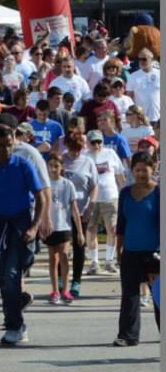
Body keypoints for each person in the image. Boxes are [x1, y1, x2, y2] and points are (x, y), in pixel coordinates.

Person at [0, 125, 45, 346]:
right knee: (2, 276)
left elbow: (41, 197)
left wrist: (34, 227)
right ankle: (13, 320)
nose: (6, 149)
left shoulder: (24, 165)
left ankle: (15, 326)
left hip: (21, 222)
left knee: (13, 273)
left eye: (9, 145)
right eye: (1, 146)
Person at [113, 151, 160, 347]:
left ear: (154, 169)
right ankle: (128, 335)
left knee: (159, 297)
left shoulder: (159, 192)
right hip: (131, 252)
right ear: (132, 171)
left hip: (155, 254)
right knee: (130, 295)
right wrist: (119, 250)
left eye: (145, 170)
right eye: (137, 170)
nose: (141, 174)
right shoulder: (125, 193)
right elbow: (121, 225)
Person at [62, 128, 99, 298]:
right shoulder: (61, 160)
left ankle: (76, 280)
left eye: (77, 149)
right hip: (62, 211)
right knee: (61, 247)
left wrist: (90, 207)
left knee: (79, 245)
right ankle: (62, 278)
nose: (74, 153)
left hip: (82, 210)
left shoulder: (88, 161)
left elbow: (94, 186)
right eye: (71, 148)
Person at [85, 129, 126, 276]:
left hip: (110, 197)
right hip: (91, 199)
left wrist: (124, 194)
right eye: (93, 142)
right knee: (91, 229)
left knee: (112, 229)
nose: (97, 145)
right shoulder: (85, 157)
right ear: (87, 143)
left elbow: (120, 176)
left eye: (99, 142)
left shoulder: (110, 154)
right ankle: (94, 262)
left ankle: (109, 261)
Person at [44, 153, 84, 305]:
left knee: (64, 257)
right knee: (53, 259)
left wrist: (79, 232)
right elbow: (40, 207)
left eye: (57, 166)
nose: (53, 169)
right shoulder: (44, 183)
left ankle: (65, 289)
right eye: (51, 165)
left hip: (64, 226)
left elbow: (74, 209)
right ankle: (55, 290)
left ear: (62, 167)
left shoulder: (67, 184)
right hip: (50, 226)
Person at [126, 50, 160, 129]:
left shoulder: (160, 74)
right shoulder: (133, 76)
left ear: (151, 60)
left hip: (159, 117)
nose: (141, 61)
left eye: (144, 59)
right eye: (139, 59)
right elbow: (130, 98)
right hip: (141, 119)